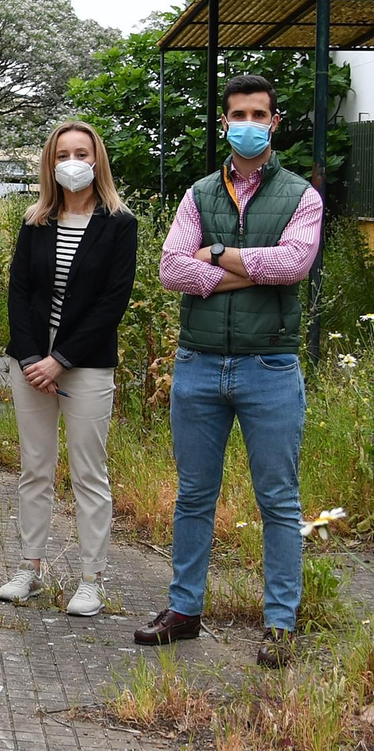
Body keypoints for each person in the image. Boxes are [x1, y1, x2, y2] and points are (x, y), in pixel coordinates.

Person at [137, 74, 321, 669]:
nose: (247, 123)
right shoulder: (197, 193)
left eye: (257, 114)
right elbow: (170, 269)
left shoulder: (302, 195)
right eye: (236, 113)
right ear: (224, 123)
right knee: (193, 495)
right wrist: (252, 270)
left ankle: (279, 623)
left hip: (269, 367)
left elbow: (295, 264)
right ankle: (184, 610)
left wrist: (215, 255)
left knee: (278, 499)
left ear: (274, 122)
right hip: (198, 364)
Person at [0, 121, 137, 616]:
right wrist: (33, 356)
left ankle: (91, 579)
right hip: (32, 363)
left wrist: (62, 360)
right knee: (34, 469)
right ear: (50, 163)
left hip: (85, 364)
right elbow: (19, 293)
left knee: (88, 473)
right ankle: (30, 568)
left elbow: (111, 303)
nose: (72, 162)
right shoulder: (35, 220)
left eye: (82, 152)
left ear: (96, 160)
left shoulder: (120, 223)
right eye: (63, 154)